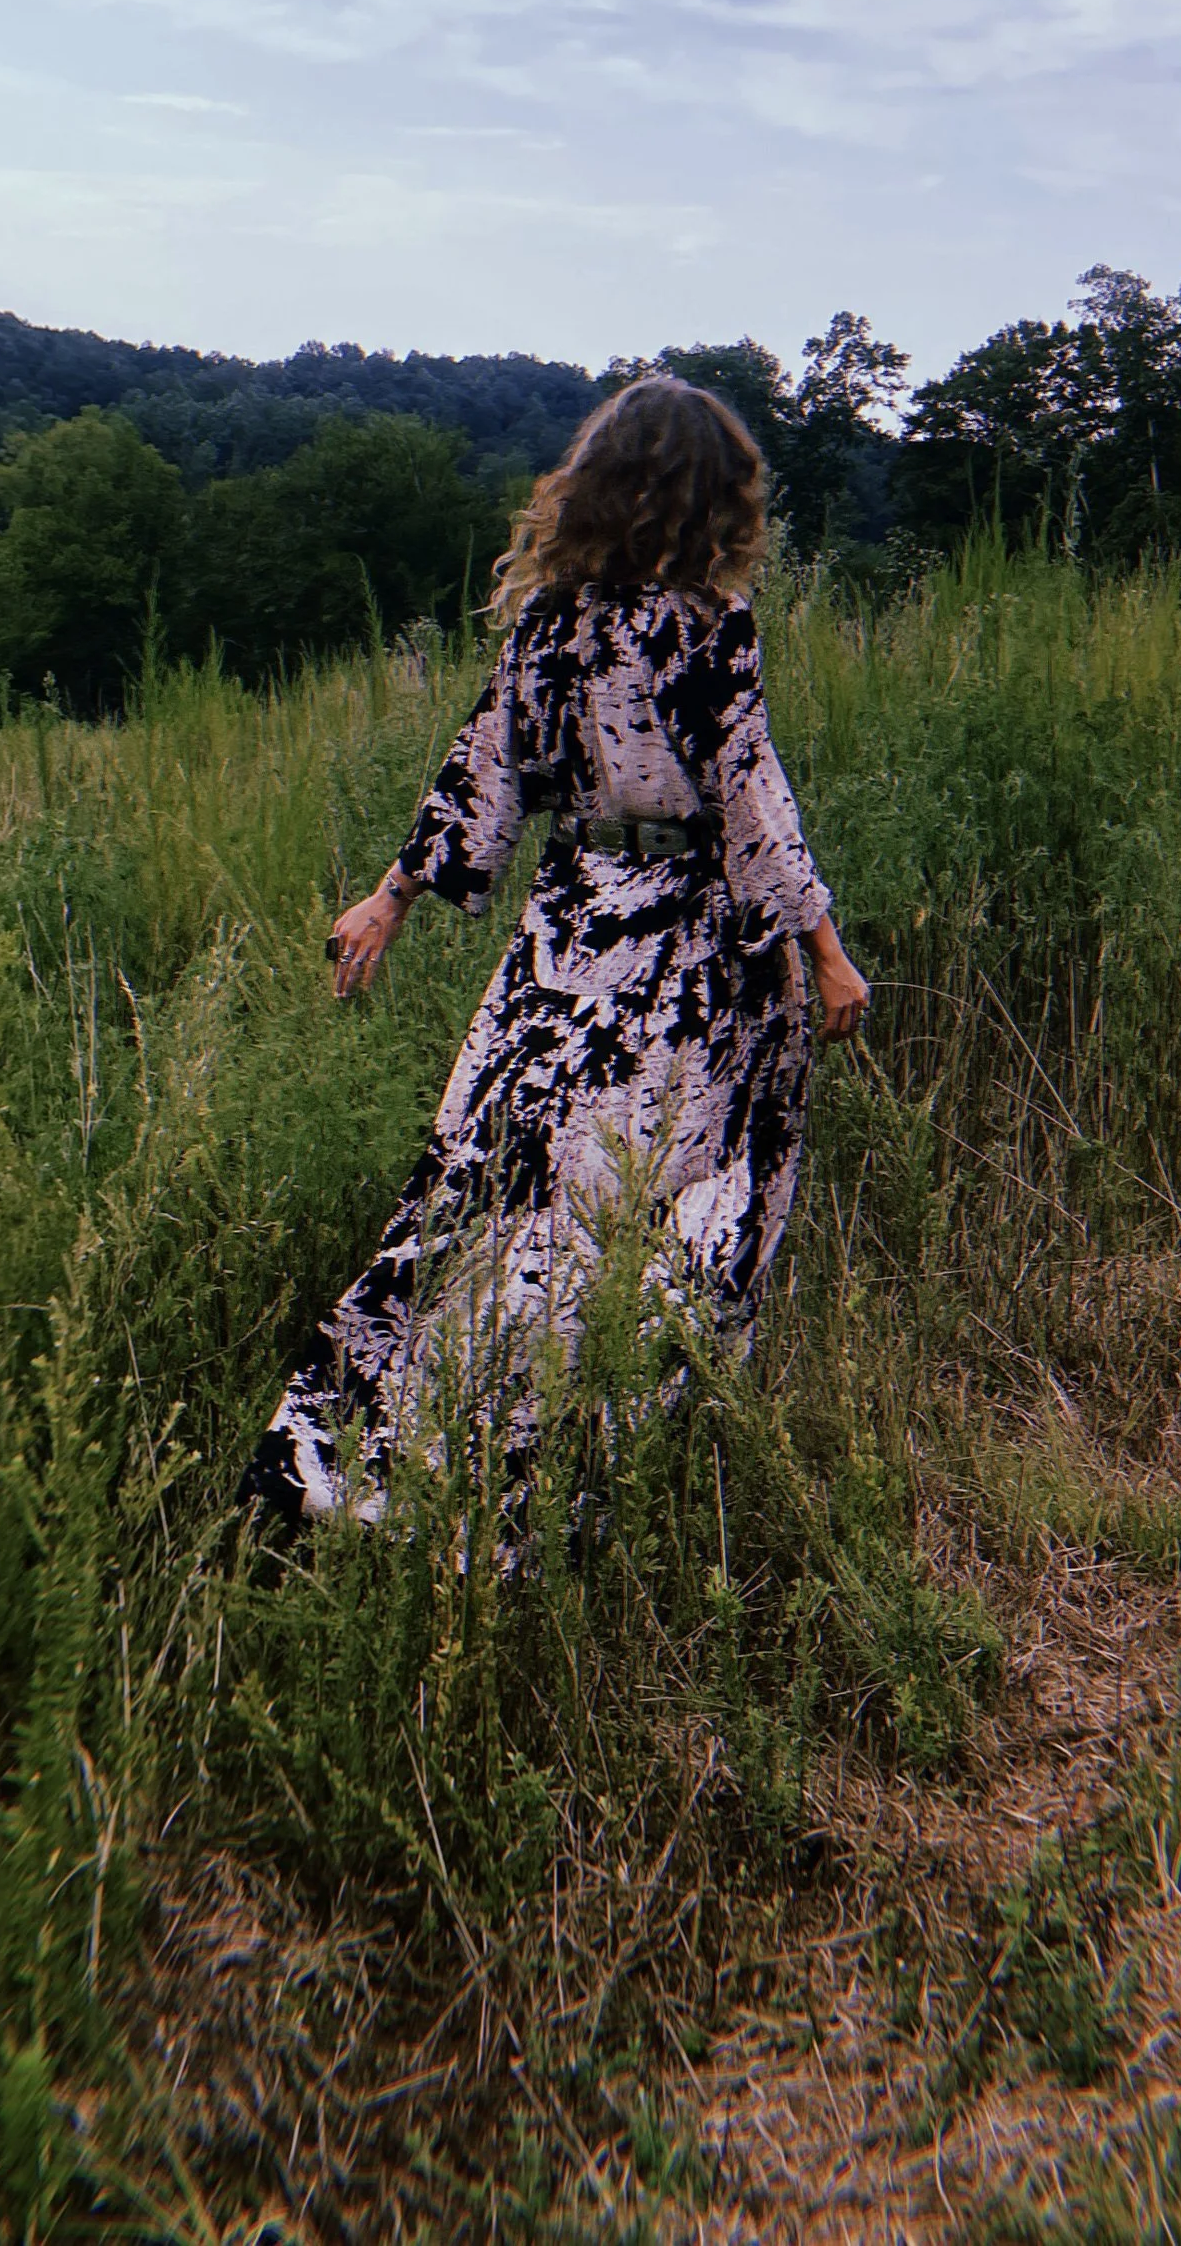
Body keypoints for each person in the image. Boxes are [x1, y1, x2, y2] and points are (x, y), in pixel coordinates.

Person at [239, 373, 870, 1539]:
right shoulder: (707, 628)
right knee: (643, 1202)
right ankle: (536, 1474)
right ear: (705, 499)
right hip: (679, 952)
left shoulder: (549, 623)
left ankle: (363, 1458)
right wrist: (824, 948)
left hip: (564, 935)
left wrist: (392, 899)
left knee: (499, 1178)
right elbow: (747, 801)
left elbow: (483, 771)